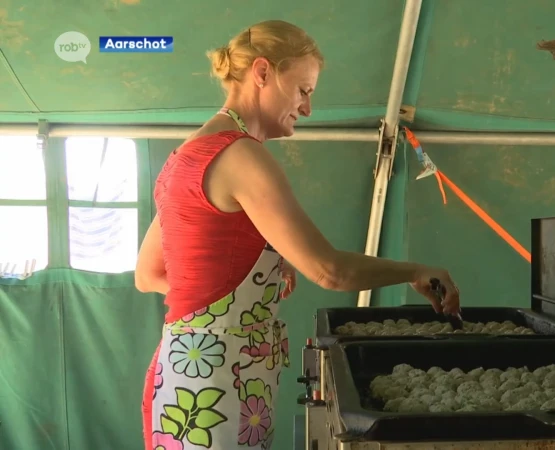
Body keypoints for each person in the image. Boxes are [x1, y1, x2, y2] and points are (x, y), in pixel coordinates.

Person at [134, 20, 460, 450]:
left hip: (182, 375)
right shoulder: (241, 155)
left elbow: (149, 274)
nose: (307, 108)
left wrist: (245, 277)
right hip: (218, 387)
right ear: (264, 73)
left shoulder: (186, 155)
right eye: (304, 90)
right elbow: (329, 271)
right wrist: (416, 269)